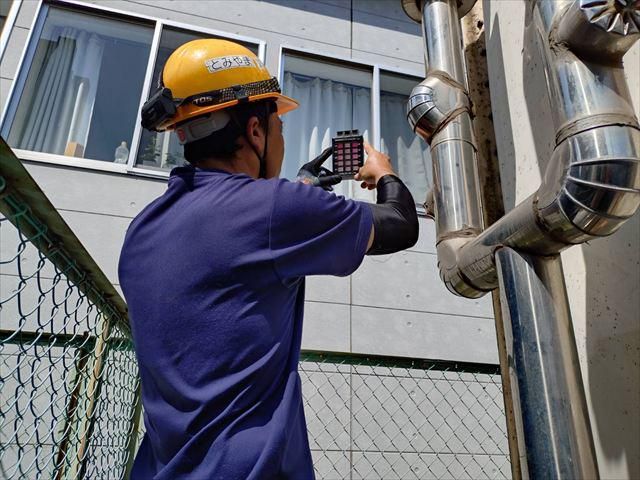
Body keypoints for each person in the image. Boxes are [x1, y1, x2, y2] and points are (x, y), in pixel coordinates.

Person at [118, 39, 418, 479]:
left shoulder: (142, 229)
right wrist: (386, 172)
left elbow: (234, 246)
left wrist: (301, 189)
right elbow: (402, 224)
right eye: (279, 126)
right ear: (255, 131)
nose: (281, 138)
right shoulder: (274, 210)